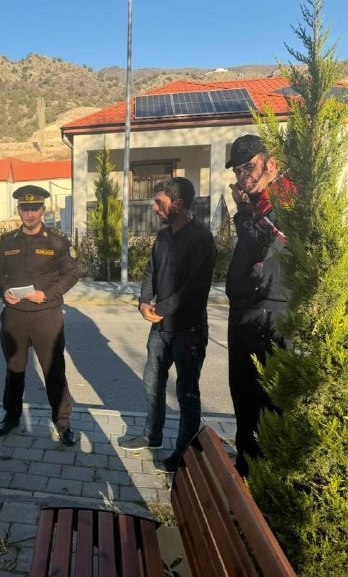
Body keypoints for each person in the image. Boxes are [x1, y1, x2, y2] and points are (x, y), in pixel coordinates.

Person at [118, 178, 217, 473]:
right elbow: (151, 270)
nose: (153, 207)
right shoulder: (163, 237)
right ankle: (152, 436)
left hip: (188, 330)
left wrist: (160, 308)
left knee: (187, 392)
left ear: (179, 205)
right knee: (152, 383)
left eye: (159, 202)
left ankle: (184, 452)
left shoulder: (201, 239)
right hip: (160, 328)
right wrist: (143, 301)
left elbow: (194, 289)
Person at [0, 185, 79, 445]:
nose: (29, 214)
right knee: (14, 369)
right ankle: (12, 415)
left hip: (46, 316)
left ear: (43, 210)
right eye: (25, 209)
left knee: (53, 370)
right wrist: (3, 291)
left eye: (35, 209)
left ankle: (63, 422)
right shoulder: (7, 241)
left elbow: (71, 274)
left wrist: (48, 294)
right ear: (18, 210)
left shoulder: (57, 241)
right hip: (14, 315)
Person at [225, 134, 293, 477]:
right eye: (238, 170)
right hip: (243, 317)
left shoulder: (284, 199)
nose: (243, 176)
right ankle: (244, 475)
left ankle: (263, 486)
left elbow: (266, 240)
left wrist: (243, 212)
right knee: (244, 403)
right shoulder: (256, 206)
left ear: (271, 165)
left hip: (270, 318)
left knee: (265, 409)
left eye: (249, 167)